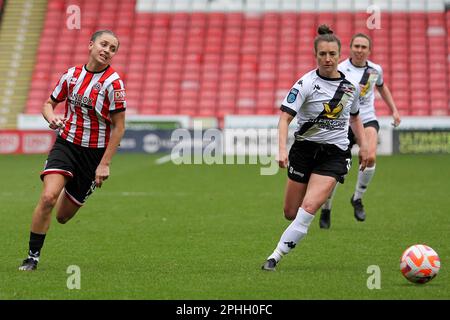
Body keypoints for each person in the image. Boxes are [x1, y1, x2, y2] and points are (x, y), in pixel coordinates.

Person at [261, 25, 368, 271]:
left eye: (332, 54)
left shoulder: (350, 87)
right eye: (323, 54)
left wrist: (364, 145)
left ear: (340, 55)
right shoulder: (305, 83)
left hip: (335, 154)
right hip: (304, 151)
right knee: (290, 212)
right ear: (316, 55)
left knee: (308, 208)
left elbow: (355, 118)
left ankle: (274, 257)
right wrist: (281, 150)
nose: (328, 59)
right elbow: (284, 118)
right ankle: (313, 205)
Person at [19, 30, 126, 271]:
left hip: (93, 155)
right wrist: (52, 117)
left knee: (62, 217)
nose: (107, 50)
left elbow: (119, 127)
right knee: (48, 198)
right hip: (66, 144)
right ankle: (32, 257)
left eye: (112, 48)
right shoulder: (71, 75)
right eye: (104, 44)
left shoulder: (113, 84)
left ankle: (74, 188)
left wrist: (105, 163)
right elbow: (49, 104)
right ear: (91, 45)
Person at [318, 33, 401, 229]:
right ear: (350, 48)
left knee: (370, 157)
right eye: (356, 46)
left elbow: (382, 87)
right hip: (343, 121)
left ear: (369, 50)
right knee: (333, 169)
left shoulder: (375, 70)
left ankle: (357, 198)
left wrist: (394, 110)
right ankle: (326, 208)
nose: (359, 50)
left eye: (364, 47)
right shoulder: (341, 68)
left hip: (367, 119)